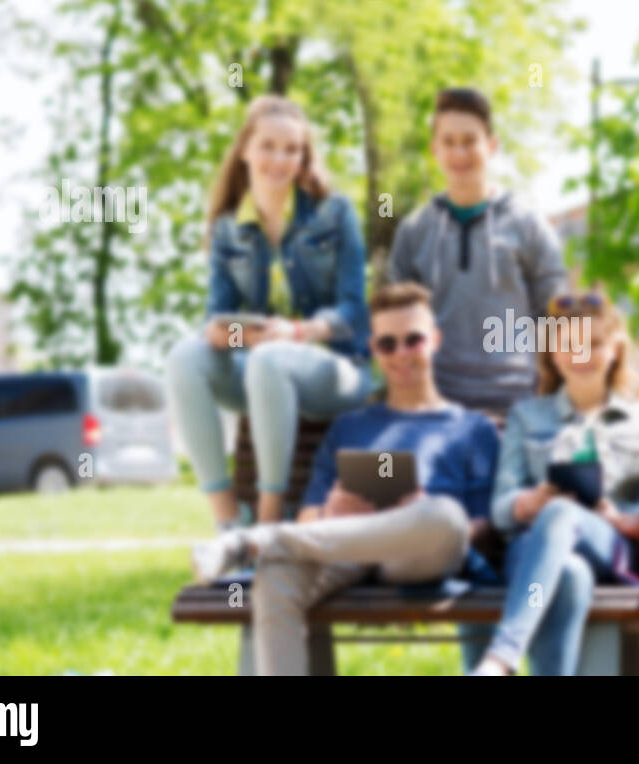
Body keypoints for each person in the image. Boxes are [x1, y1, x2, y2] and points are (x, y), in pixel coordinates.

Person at [190, 282, 500, 676]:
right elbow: (309, 521)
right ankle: (262, 545)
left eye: (413, 341)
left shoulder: (471, 428)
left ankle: (257, 540)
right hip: (345, 550)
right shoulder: (349, 427)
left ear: (435, 340)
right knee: (276, 575)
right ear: (373, 350)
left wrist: (414, 514)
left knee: (446, 516)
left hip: (420, 552)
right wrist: (330, 513)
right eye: (388, 345)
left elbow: (480, 525)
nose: (401, 354)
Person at [166, 95, 371, 528]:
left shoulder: (335, 214)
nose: (280, 159)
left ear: (303, 157)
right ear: (244, 150)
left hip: (338, 370)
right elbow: (216, 318)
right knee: (186, 356)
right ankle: (229, 520)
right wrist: (233, 336)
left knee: (269, 357)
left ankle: (268, 518)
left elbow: (354, 312)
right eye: (268, 146)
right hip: (265, 368)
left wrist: (296, 333)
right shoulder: (227, 227)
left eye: (292, 150)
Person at [471, 292, 639, 675]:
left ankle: (501, 658)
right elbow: (501, 507)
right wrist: (530, 501)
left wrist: (626, 520)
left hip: (609, 545)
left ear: (614, 350)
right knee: (570, 574)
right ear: (553, 354)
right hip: (530, 550)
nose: (582, 354)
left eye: (593, 343)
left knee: (563, 512)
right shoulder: (527, 416)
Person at [386, 87, 568, 420]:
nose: (459, 153)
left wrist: (553, 403)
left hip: (516, 403)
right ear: (434, 150)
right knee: (377, 471)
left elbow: (558, 319)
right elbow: (393, 327)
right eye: (449, 142)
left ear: (491, 146)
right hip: (434, 403)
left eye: (469, 141)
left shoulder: (529, 226)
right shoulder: (414, 232)